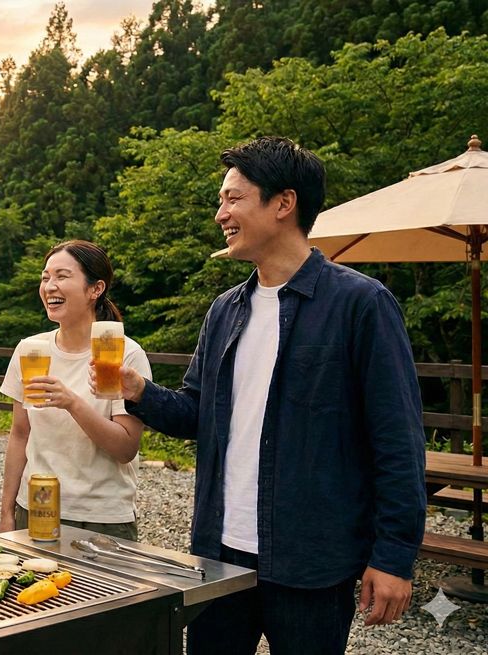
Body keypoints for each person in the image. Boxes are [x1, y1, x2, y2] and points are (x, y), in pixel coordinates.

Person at [110, 137, 426, 654]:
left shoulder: (361, 304)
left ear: (284, 203)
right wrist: (139, 391)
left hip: (312, 562)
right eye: (221, 201)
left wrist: (392, 556)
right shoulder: (225, 310)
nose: (220, 214)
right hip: (219, 555)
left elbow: (398, 442)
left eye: (233, 198)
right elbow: (197, 413)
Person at [0, 240, 151, 541]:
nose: (50, 286)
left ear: (96, 289)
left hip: (101, 519)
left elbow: (125, 448)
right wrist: (6, 513)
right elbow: (19, 434)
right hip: (35, 507)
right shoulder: (30, 350)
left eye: (62, 276)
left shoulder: (123, 355)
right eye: (45, 278)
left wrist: (72, 402)